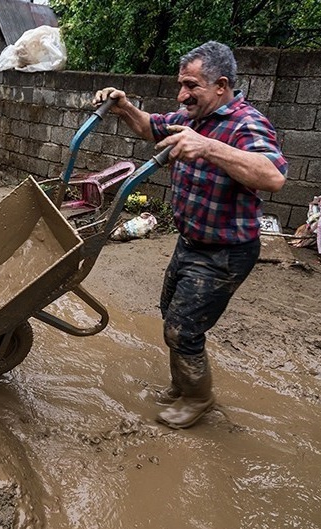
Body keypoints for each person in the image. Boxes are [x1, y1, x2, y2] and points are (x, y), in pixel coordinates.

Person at [93, 41, 287, 429]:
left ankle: (199, 398)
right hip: (191, 240)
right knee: (172, 315)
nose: (182, 95)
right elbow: (150, 127)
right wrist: (124, 106)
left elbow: (273, 176)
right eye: (181, 85)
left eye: (191, 86)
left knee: (183, 328)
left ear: (221, 85)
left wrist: (210, 147)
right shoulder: (193, 116)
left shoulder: (245, 123)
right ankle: (183, 386)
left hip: (225, 251)